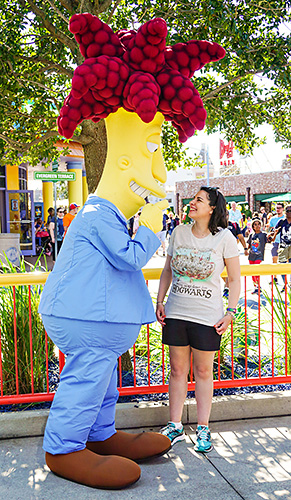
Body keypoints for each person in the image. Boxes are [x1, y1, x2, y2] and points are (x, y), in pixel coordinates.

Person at [156, 186, 240, 453]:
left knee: (204, 372)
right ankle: (175, 425)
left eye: (198, 200)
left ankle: (203, 427)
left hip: (208, 316)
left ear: (212, 208)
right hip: (177, 312)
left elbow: (235, 279)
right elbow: (167, 270)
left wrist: (231, 312)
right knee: (177, 371)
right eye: (193, 199)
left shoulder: (225, 238)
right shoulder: (178, 232)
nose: (192, 203)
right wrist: (160, 301)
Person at [223, 210, 248, 298]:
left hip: (231, 252)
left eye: (226, 214)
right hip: (219, 252)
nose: (224, 216)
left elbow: (240, 237)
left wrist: (245, 248)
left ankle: (227, 288)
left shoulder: (233, 224)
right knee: (222, 272)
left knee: (230, 270)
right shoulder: (215, 225)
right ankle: (226, 286)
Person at [268, 205, 291, 292]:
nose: (289, 213)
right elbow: (274, 232)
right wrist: (271, 236)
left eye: (290, 211)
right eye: (287, 211)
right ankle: (285, 284)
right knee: (282, 265)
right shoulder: (282, 221)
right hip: (283, 246)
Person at [247, 218, 267, 294]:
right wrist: (246, 250)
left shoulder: (263, 235)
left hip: (259, 255)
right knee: (252, 272)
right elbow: (249, 245)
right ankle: (255, 287)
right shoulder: (251, 235)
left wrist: (274, 234)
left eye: (258, 224)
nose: (257, 226)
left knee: (256, 270)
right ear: (253, 226)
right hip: (251, 255)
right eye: (255, 224)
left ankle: (258, 286)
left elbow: (270, 240)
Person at [267, 203, 285, 284]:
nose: (278, 209)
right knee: (274, 259)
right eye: (276, 208)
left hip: (284, 242)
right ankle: (274, 278)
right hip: (275, 242)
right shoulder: (273, 219)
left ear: (282, 209)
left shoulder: (285, 218)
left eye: (279, 208)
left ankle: (286, 282)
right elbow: (270, 229)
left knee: (284, 262)